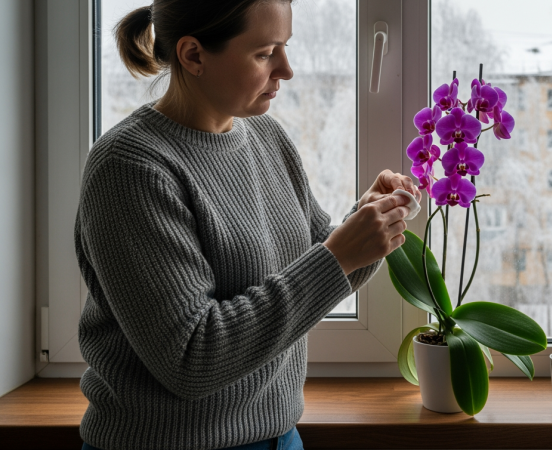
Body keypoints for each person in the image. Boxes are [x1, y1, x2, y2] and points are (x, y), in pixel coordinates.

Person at [75, 1, 420, 449]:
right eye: (265, 53)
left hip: (280, 436)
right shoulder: (130, 168)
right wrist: (339, 255)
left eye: (285, 48)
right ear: (193, 55)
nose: (287, 70)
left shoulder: (267, 138)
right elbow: (190, 358)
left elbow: (321, 270)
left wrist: (367, 223)